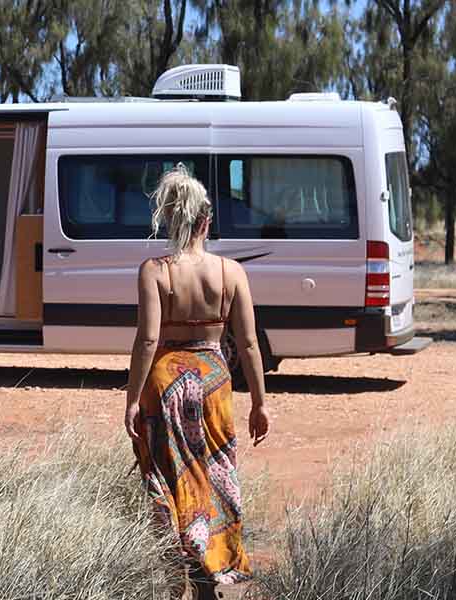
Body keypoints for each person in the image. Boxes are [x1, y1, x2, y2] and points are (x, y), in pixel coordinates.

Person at [123, 166, 270, 599]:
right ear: (207, 221)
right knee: (213, 477)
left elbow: (149, 339)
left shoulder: (155, 270)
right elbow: (247, 345)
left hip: (165, 383)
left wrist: (132, 399)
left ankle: (176, 582)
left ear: (172, 221)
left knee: (172, 483)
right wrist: (261, 402)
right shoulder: (231, 273)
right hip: (214, 383)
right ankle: (210, 578)